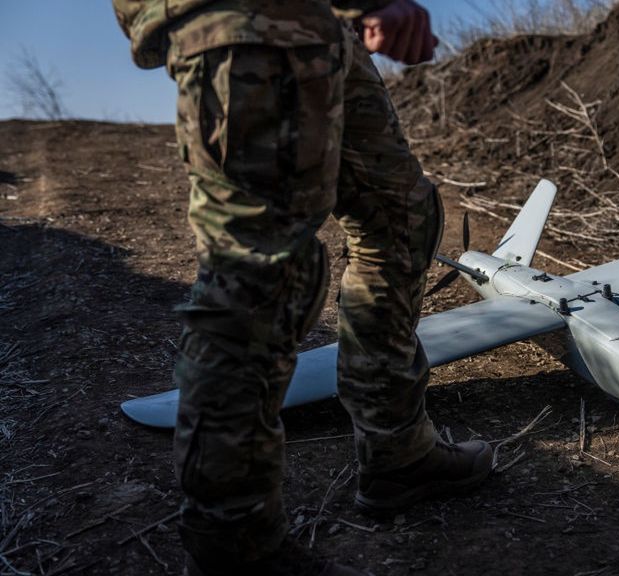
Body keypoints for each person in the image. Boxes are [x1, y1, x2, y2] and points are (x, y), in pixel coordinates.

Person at [111, 1, 494, 574]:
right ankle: (236, 547)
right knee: (261, 274)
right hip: (241, 17)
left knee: (400, 217)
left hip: (319, 22)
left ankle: (397, 450)